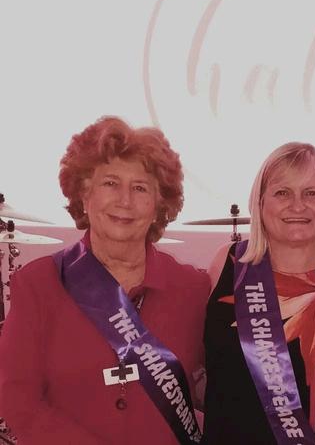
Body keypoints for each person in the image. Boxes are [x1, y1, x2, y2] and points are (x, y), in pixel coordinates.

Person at [0, 116, 210, 445]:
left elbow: (225, 386)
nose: (125, 200)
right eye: (110, 183)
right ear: (84, 195)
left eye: (140, 188)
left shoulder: (192, 289)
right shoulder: (38, 285)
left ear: (159, 205)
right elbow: (17, 398)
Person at [202, 142, 315, 445]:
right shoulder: (228, 265)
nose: (298, 206)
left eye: (311, 193)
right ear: (260, 202)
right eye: (282, 193)